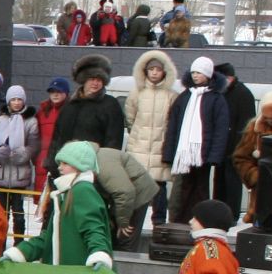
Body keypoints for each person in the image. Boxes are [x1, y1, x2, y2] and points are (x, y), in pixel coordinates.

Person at [4, 141, 115, 270]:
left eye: (65, 163)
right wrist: (20, 252)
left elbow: (93, 230)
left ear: (79, 165)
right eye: (60, 163)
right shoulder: (67, 192)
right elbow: (49, 237)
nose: (59, 168)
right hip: (68, 273)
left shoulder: (83, 190)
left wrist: (99, 255)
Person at [163, 56, 231, 219]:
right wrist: (169, 152)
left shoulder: (216, 99)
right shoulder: (185, 96)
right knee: (182, 188)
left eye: (199, 73)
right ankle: (180, 219)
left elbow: (220, 130)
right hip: (184, 152)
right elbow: (173, 125)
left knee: (201, 188)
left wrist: (214, 156)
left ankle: (199, 218)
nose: (195, 76)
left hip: (203, 153)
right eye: (193, 72)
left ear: (208, 75)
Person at [139, 200, 243, 274]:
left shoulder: (210, 248)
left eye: (195, 218)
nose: (190, 221)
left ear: (207, 222)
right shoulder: (205, 246)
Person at [124, 49, 177, 227]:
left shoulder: (171, 96)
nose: (154, 72)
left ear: (165, 71)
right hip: (138, 148)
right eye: (151, 69)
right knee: (136, 189)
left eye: (158, 69)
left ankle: (159, 226)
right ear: (144, 70)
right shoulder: (136, 93)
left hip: (159, 150)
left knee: (159, 189)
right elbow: (130, 118)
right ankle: (132, 225)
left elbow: (172, 123)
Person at [230, 91, 272, 224]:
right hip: (262, 192)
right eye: (271, 120)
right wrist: (255, 176)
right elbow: (240, 157)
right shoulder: (253, 129)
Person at [49, 53, 122, 166]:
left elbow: (114, 141)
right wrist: (52, 163)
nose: (95, 83)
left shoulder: (110, 104)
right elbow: (57, 138)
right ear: (84, 80)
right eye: (92, 79)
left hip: (93, 166)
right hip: (66, 165)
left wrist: (104, 166)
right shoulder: (70, 105)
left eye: (99, 79)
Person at [0, 86, 40, 241]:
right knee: (1, 214)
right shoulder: (0, 119)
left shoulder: (31, 121)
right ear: (8, 101)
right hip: (1, 173)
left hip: (19, 175)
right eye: (13, 99)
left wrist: (21, 154)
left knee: (18, 214)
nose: (17, 103)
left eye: (19, 99)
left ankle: (19, 245)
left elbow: (33, 146)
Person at [93, 143, 160, 247]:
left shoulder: (102, 163)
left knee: (125, 239)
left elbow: (125, 192)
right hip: (123, 195)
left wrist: (123, 222)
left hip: (138, 194)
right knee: (115, 239)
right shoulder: (93, 160)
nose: (60, 167)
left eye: (64, 163)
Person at [212, 63, 256, 213]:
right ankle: (218, 210)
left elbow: (247, 125)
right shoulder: (220, 92)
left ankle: (231, 213)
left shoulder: (243, 94)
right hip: (221, 147)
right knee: (219, 181)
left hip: (235, 148)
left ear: (229, 78)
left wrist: (240, 148)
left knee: (232, 182)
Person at [34, 78, 70, 194]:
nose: (55, 94)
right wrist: (37, 157)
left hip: (63, 160)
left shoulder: (71, 111)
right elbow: (35, 137)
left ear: (66, 93)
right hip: (43, 161)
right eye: (52, 91)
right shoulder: (42, 112)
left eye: (58, 92)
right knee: (42, 202)